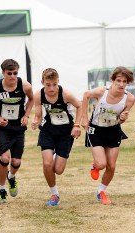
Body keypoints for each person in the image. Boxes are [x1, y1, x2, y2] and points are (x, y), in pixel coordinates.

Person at [79, 67, 135, 205]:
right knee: (101, 164)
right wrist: (84, 119)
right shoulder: (102, 92)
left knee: (111, 166)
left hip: (113, 130)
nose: (121, 84)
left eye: (124, 81)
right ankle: (95, 165)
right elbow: (86, 95)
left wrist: (123, 117)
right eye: (118, 81)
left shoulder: (129, 98)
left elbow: (122, 118)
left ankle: (101, 192)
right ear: (112, 80)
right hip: (96, 130)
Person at [31, 68, 83, 207]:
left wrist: (76, 125)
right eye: (48, 85)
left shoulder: (66, 94)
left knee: (58, 170)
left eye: (54, 84)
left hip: (66, 132)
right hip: (48, 130)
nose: (52, 88)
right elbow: (38, 115)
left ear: (58, 82)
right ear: (42, 82)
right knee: (47, 164)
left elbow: (80, 105)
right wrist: (36, 121)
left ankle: (56, 156)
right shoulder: (38, 95)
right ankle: (54, 194)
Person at [0, 59, 35, 203]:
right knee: (4, 158)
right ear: (3, 73)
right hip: (3, 127)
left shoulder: (25, 86)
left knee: (16, 161)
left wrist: (26, 115)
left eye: (15, 73)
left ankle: (11, 177)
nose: (13, 76)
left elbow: (31, 100)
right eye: (9, 73)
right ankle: (2, 189)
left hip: (18, 127)